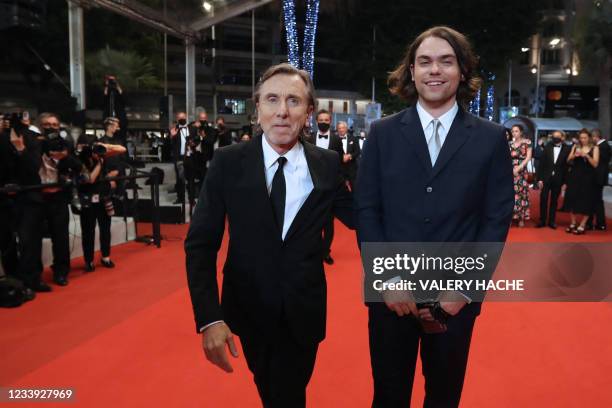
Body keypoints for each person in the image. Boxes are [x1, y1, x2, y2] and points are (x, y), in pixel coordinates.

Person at [356, 26, 513, 407]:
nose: (434, 70)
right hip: (390, 297)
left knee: (444, 397)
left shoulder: (491, 138)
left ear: (462, 70)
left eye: (446, 61)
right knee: (389, 396)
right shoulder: (382, 133)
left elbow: (495, 221)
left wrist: (465, 288)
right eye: (424, 62)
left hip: (454, 301)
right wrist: (387, 278)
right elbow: (367, 209)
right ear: (411, 71)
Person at [185, 63, 353, 408]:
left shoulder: (327, 163)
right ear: (257, 108)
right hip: (247, 309)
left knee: (287, 393)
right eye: (272, 99)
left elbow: (364, 218)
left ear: (308, 112)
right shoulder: (228, 162)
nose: (281, 111)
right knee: (273, 390)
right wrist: (209, 317)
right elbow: (201, 244)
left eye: (293, 101)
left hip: (303, 311)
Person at [76, 135, 127, 271]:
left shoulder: (101, 153)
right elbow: (90, 179)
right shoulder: (79, 160)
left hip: (103, 197)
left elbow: (122, 149)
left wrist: (104, 147)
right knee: (88, 231)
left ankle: (106, 257)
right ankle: (89, 261)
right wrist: (99, 162)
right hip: (87, 199)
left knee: (105, 229)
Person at [304, 109, 344, 265]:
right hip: (310, 187)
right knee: (312, 221)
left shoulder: (335, 140)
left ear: (330, 121)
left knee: (328, 223)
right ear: (316, 121)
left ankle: (326, 251)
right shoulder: (308, 138)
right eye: (321, 120)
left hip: (330, 187)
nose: (324, 122)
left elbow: (340, 161)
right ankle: (314, 250)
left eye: (327, 120)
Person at [564, 128, 600, 235]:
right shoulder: (576, 146)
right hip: (575, 176)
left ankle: (583, 224)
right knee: (571, 197)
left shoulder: (595, 148)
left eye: (585, 138)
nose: (583, 139)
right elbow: (568, 160)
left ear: (589, 138)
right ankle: (573, 223)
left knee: (586, 200)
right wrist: (574, 155)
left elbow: (595, 164)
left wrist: (587, 155)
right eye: (581, 138)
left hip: (588, 177)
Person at [535, 130, 570, 229]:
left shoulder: (567, 149)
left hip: (559, 178)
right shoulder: (548, 146)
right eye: (554, 136)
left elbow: (566, 167)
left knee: (554, 201)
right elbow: (542, 164)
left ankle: (552, 221)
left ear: (562, 137)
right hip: (546, 177)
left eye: (558, 136)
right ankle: (542, 220)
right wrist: (539, 179)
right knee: (543, 199)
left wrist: (565, 182)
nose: (555, 138)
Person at [508, 124, 532, 227]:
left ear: (521, 132)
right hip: (509, 171)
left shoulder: (527, 142)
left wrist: (519, 167)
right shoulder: (509, 143)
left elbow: (528, 157)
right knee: (510, 194)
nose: (514, 133)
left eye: (516, 131)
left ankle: (521, 217)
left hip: (521, 171)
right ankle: (510, 216)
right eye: (513, 131)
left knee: (522, 193)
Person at [588, 128, 610, 230]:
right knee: (595, 200)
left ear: (595, 137)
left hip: (598, 177)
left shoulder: (603, 146)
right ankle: (595, 222)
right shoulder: (603, 146)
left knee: (596, 200)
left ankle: (600, 223)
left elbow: (600, 163)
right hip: (598, 177)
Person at [337, 121, 360, 191]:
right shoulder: (334, 139)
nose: (341, 130)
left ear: (346, 129)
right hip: (339, 169)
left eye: (343, 128)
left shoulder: (353, 138)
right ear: (337, 129)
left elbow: (357, 151)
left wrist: (350, 156)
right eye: (339, 128)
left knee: (354, 189)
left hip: (351, 169)